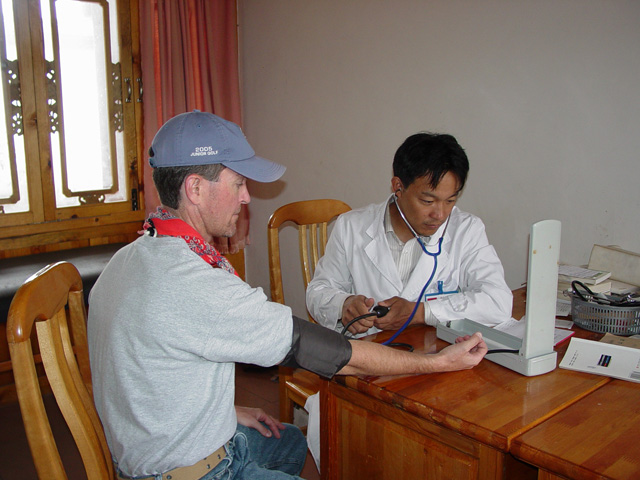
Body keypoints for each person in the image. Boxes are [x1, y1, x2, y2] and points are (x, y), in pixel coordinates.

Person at [87, 111, 488, 480]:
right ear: (195, 188)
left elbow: (146, 370)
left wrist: (221, 413)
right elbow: (316, 349)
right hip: (190, 471)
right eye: (239, 183)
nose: (247, 197)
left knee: (292, 442)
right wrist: (433, 364)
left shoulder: (130, 258)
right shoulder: (196, 283)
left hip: (155, 443)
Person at [306, 132, 512, 338]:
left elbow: (497, 301)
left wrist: (421, 312)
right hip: (370, 353)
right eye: (428, 201)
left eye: (450, 201)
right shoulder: (351, 226)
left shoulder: (466, 230)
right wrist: (344, 304)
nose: (440, 215)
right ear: (398, 187)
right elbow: (317, 292)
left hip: (435, 355)